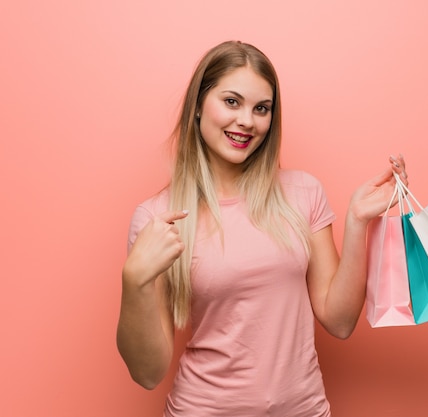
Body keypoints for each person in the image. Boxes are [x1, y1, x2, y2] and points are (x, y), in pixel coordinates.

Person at [116, 40, 408, 417]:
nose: (247, 122)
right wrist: (133, 281)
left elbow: (339, 322)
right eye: (231, 102)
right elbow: (147, 373)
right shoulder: (159, 217)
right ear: (198, 107)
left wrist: (356, 221)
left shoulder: (302, 192)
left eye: (261, 109)